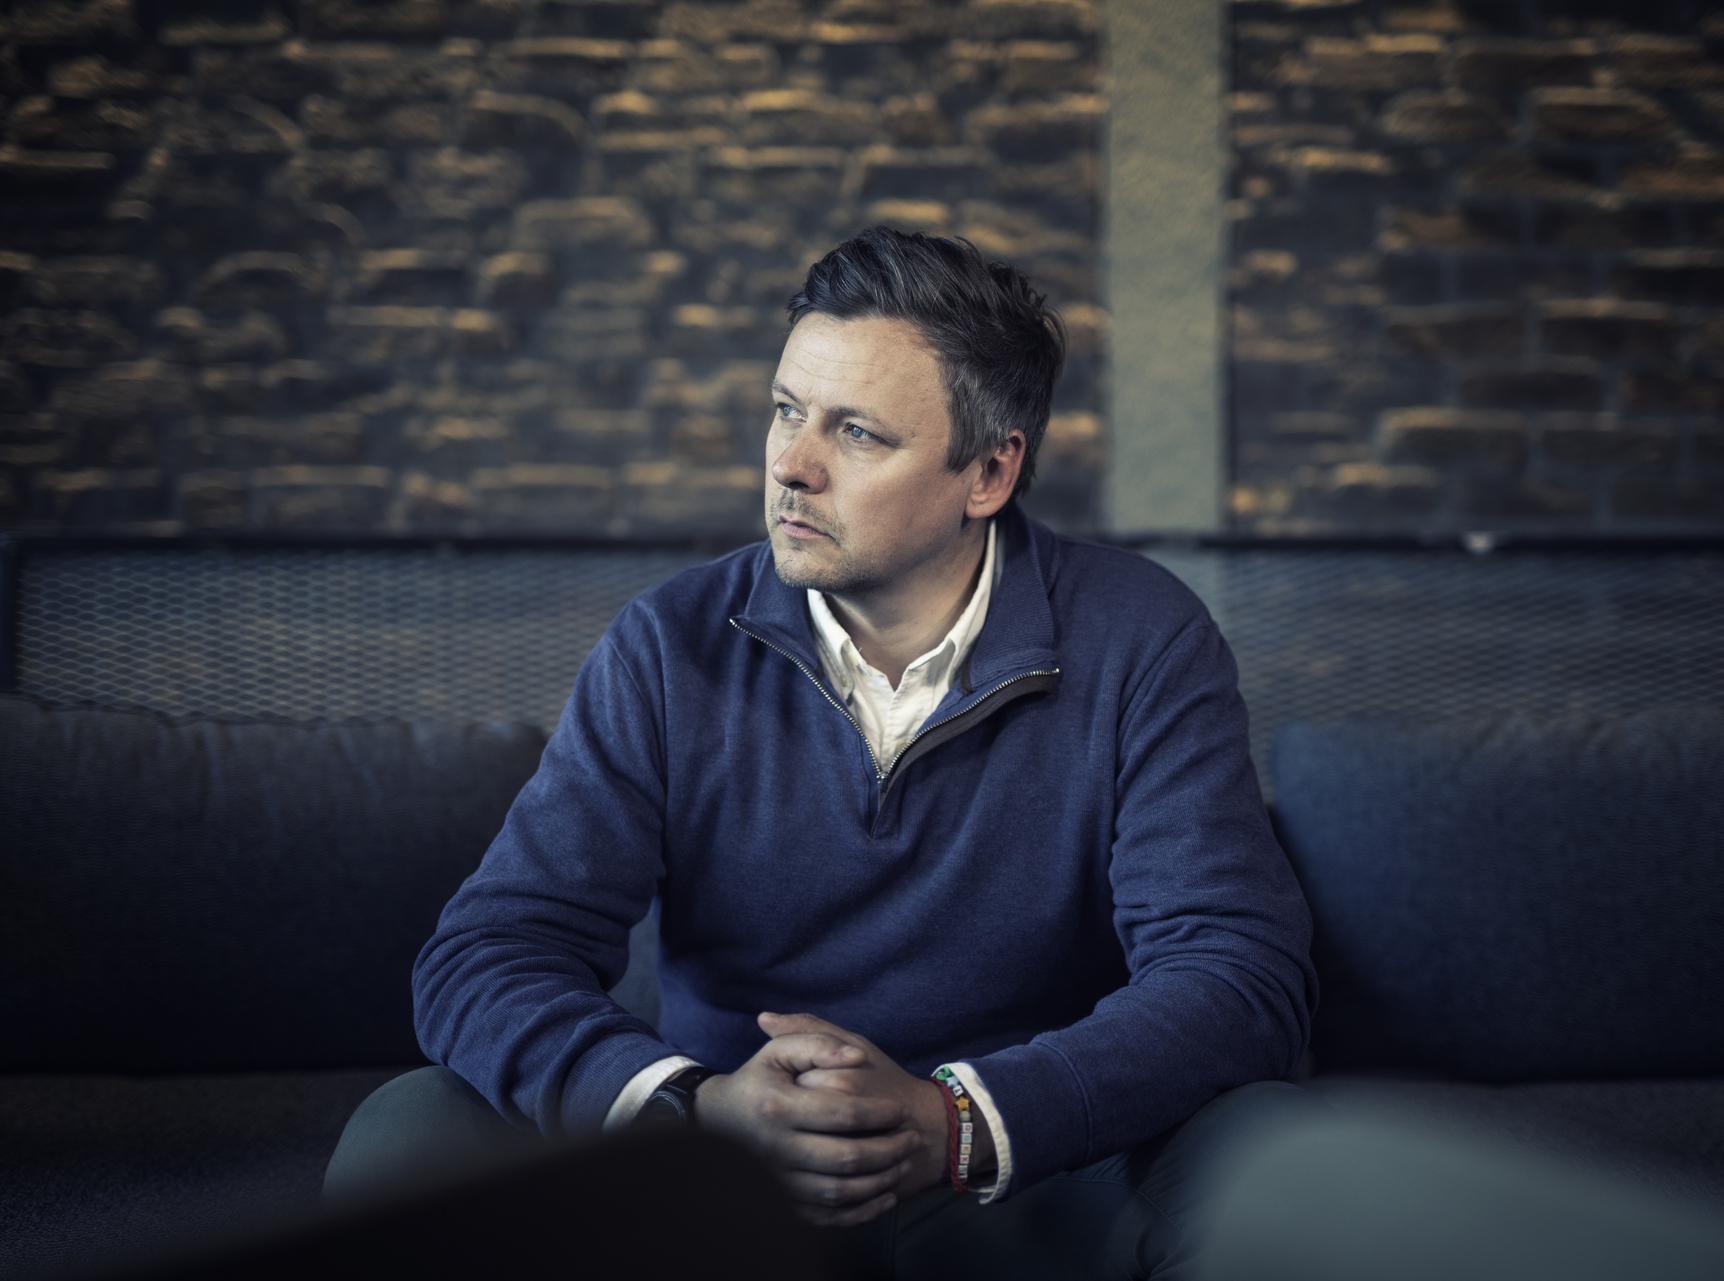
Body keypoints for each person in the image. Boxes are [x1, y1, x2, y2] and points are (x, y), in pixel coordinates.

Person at [326, 227, 1317, 1279]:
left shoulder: (1143, 638)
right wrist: (690, 1107)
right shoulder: (670, 643)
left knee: (1270, 1163)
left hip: (1020, 1182)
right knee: (413, 1131)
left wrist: (961, 1121)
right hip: (721, 1180)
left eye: (857, 434)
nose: (792, 466)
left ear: (989, 471)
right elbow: (488, 953)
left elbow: (1237, 972)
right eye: (788, 410)